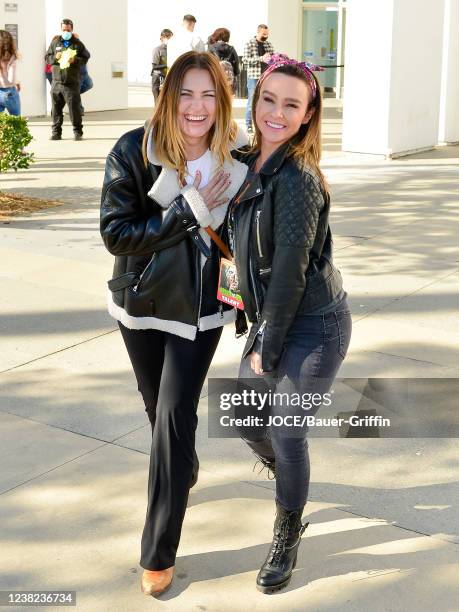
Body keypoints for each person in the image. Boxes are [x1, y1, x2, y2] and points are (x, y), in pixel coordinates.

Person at [100, 51, 248, 598]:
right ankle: (181, 467)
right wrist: (187, 209)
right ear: (169, 96)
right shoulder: (134, 151)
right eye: (187, 93)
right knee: (155, 409)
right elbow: (117, 233)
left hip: (200, 311)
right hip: (140, 306)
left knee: (171, 413)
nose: (197, 106)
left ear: (222, 101)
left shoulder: (236, 157)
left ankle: (158, 549)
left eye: (209, 94)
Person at [226, 53, 352, 593]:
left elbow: (289, 273)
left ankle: (287, 527)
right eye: (269, 99)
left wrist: (266, 345)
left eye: (291, 105)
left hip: (313, 323)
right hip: (272, 316)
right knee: (242, 413)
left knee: (285, 426)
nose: (276, 112)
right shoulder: (250, 161)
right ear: (256, 101)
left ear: (307, 115)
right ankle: (289, 476)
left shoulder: (297, 176)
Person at [45, 18, 90, 140]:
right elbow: (47, 57)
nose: (66, 32)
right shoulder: (55, 43)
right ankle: (56, 133)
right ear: (61, 29)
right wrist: (55, 57)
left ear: (72, 29)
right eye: (64, 29)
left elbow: (86, 57)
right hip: (56, 82)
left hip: (71, 83)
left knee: (74, 109)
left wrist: (75, 60)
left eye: (68, 30)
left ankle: (78, 132)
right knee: (55, 110)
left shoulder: (77, 44)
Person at [242, 24, 274, 134]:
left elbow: (273, 58)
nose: (266, 36)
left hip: (266, 76)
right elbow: (245, 60)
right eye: (264, 34)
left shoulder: (268, 44)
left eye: (267, 34)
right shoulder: (250, 43)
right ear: (258, 32)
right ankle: (248, 124)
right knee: (252, 101)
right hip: (253, 77)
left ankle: (261, 124)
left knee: (266, 102)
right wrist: (261, 58)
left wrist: (275, 58)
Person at [208, 28, 240, 92]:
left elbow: (207, 64)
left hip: (215, 80)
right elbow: (236, 66)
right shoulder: (231, 49)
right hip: (228, 81)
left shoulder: (211, 48)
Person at [0, 30, 21, 116]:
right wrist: (17, 82)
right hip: (9, 93)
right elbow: (11, 80)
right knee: (17, 122)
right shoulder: (12, 57)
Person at [151, 28, 173, 102]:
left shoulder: (172, 50)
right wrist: (168, 65)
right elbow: (154, 67)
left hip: (167, 80)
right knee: (158, 105)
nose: (170, 40)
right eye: (168, 38)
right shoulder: (157, 50)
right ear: (162, 38)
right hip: (157, 80)